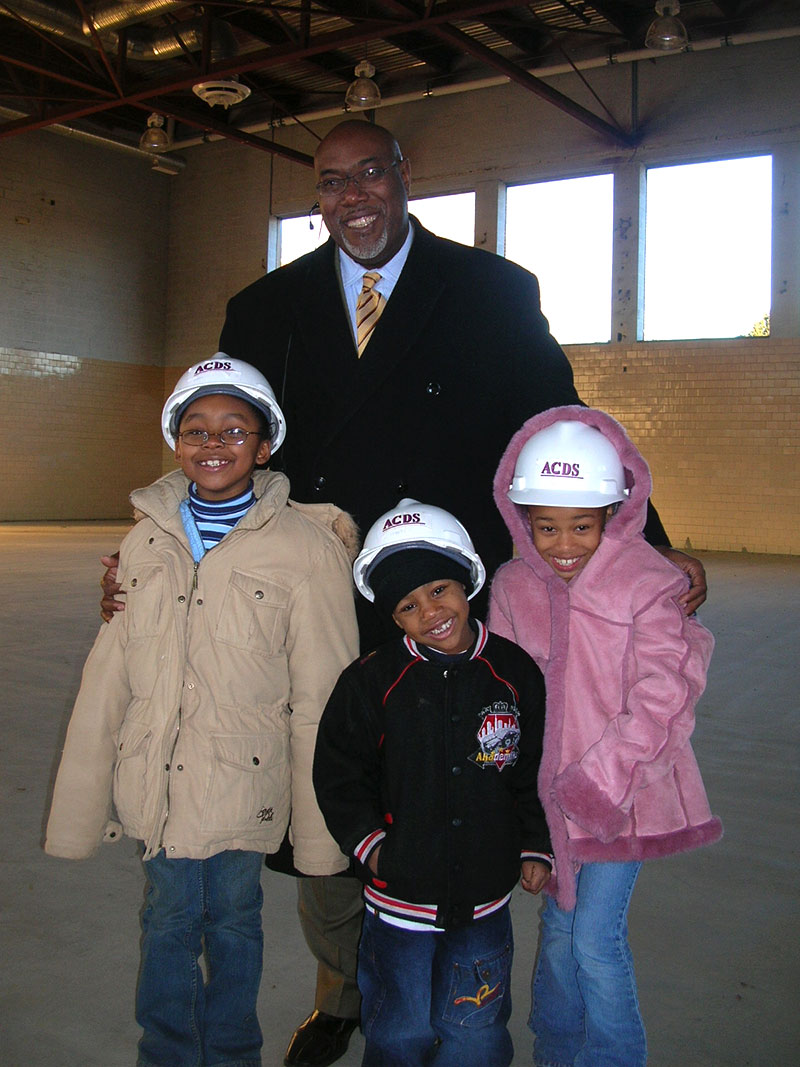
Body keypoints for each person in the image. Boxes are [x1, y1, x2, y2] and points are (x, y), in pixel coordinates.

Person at [102, 119, 708, 1067]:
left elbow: (561, 416)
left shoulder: (491, 290)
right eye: (332, 182)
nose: (354, 197)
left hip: (448, 600)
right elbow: (223, 448)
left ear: (403, 176)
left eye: (370, 174)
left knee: (456, 786)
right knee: (331, 789)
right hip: (317, 598)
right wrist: (155, 553)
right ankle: (344, 991)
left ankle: (460, 995)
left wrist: (651, 545)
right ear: (319, 197)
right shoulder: (265, 306)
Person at [46, 357, 359, 1067]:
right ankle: (166, 1053)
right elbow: (111, 674)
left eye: (234, 430)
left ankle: (231, 1054)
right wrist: (86, 791)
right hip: (156, 777)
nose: (213, 443)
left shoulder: (305, 548)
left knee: (234, 922)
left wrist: (319, 825)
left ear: (264, 445)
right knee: (166, 920)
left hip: (242, 783)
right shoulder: (147, 538)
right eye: (195, 429)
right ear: (175, 441)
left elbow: (323, 693)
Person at [487, 405, 723, 1067]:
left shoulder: (648, 584)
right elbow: (501, 693)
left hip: (625, 796)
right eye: (546, 526)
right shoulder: (513, 586)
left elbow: (665, 694)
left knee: (594, 938)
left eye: (582, 526)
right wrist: (513, 800)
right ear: (521, 517)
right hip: (550, 804)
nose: (564, 544)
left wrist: (601, 782)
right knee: (560, 931)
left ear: (614, 514)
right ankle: (558, 1050)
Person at [313, 499, 553, 1066]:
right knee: (398, 1029)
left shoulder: (514, 672)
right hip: (399, 903)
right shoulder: (370, 681)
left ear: (467, 579)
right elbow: (340, 775)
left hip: (485, 900)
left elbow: (531, 769)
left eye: (439, 589)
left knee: (476, 1027)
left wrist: (532, 843)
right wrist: (374, 849)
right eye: (409, 605)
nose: (431, 611)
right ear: (393, 618)